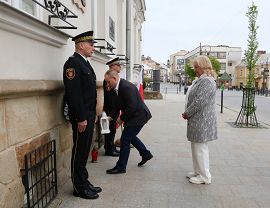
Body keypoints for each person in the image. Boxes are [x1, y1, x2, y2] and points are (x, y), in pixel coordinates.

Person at [63, 31, 102, 199]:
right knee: (79, 152)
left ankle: (84, 181)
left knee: (85, 150)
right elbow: (74, 95)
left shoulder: (84, 63)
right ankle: (79, 188)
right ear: (81, 45)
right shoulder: (72, 64)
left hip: (88, 115)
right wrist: (81, 118)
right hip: (82, 118)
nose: (93, 48)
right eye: (91, 44)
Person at [104, 70, 153, 174]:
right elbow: (116, 106)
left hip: (139, 116)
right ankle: (146, 154)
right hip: (133, 116)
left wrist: (121, 118)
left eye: (108, 82)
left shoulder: (126, 87)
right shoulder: (115, 88)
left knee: (125, 139)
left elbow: (132, 106)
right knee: (131, 137)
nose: (107, 84)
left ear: (114, 78)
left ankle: (121, 166)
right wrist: (110, 118)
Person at [181, 55, 218, 184]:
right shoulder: (202, 80)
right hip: (198, 119)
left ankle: (205, 176)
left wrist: (187, 112)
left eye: (197, 67)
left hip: (202, 120)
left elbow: (199, 102)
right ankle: (198, 171)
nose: (195, 69)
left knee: (200, 148)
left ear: (203, 66)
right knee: (196, 147)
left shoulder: (207, 81)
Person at [102, 57, 122, 157]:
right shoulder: (108, 79)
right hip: (111, 108)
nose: (120, 67)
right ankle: (109, 149)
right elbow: (110, 97)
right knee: (109, 129)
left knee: (112, 129)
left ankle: (112, 147)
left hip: (113, 108)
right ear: (113, 66)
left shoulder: (114, 77)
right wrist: (111, 110)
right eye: (118, 65)